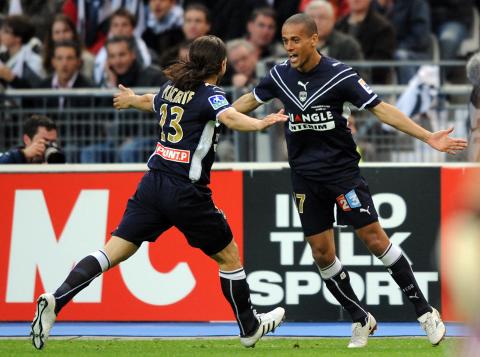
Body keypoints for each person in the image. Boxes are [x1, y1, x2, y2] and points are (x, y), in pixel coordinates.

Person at [30, 35, 287, 350]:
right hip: (186, 191)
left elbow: (148, 100)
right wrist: (260, 124)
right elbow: (230, 117)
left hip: (152, 184)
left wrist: (130, 98)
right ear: (221, 65)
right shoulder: (211, 95)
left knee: (111, 252)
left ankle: (56, 299)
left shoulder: (171, 89)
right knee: (229, 256)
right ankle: (249, 328)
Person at [232, 13, 468, 348]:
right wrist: (219, 115)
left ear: (315, 39)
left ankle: (425, 312)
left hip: (342, 174)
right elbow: (247, 102)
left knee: (374, 238)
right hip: (304, 177)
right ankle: (361, 318)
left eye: (295, 40)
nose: (289, 47)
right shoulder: (278, 76)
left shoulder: (340, 75)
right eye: (285, 41)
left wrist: (428, 136)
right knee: (321, 252)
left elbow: (382, 108)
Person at [335, 0, 396, 84]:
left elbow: (380, 64)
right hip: (338, 83)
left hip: (371, 85)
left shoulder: (383, 28)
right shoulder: (338, 25)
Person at [43, 14, 95, 81]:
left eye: (66, 31)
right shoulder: (45, 59)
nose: (62, 36)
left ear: (73, 33)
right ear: (51, 36)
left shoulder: (87, 59)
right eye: (57, 32)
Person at [0, 115, 64, 164]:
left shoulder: (55, 156)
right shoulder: (13, 157)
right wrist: (23, 154)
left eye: (53, 142)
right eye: (45, 140)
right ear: (26, 139)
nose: (49, 145)